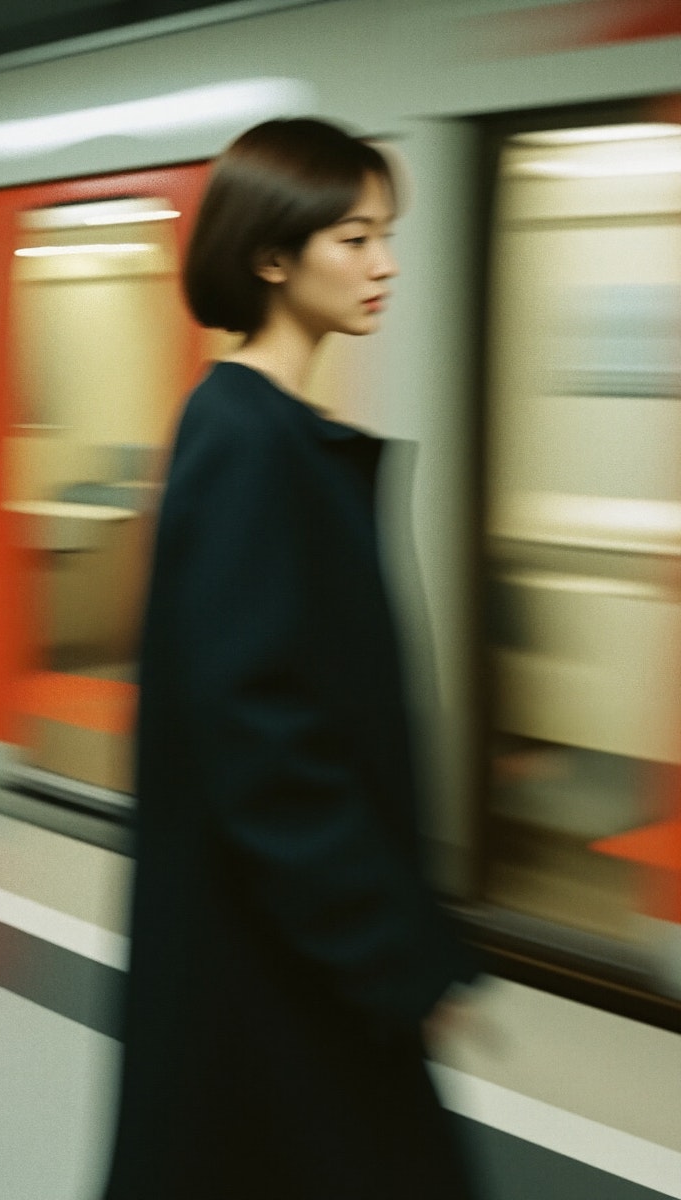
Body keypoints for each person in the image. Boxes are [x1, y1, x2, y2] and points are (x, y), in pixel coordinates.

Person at [102, 117, 480, 1200]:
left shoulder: (271, 430)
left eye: (385, 236)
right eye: (354, 238)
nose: (386, 264)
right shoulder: (244, 437)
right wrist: (389, 946)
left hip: (286, 952)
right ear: (273, 257)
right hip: (272, 964)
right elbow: (260, 735)